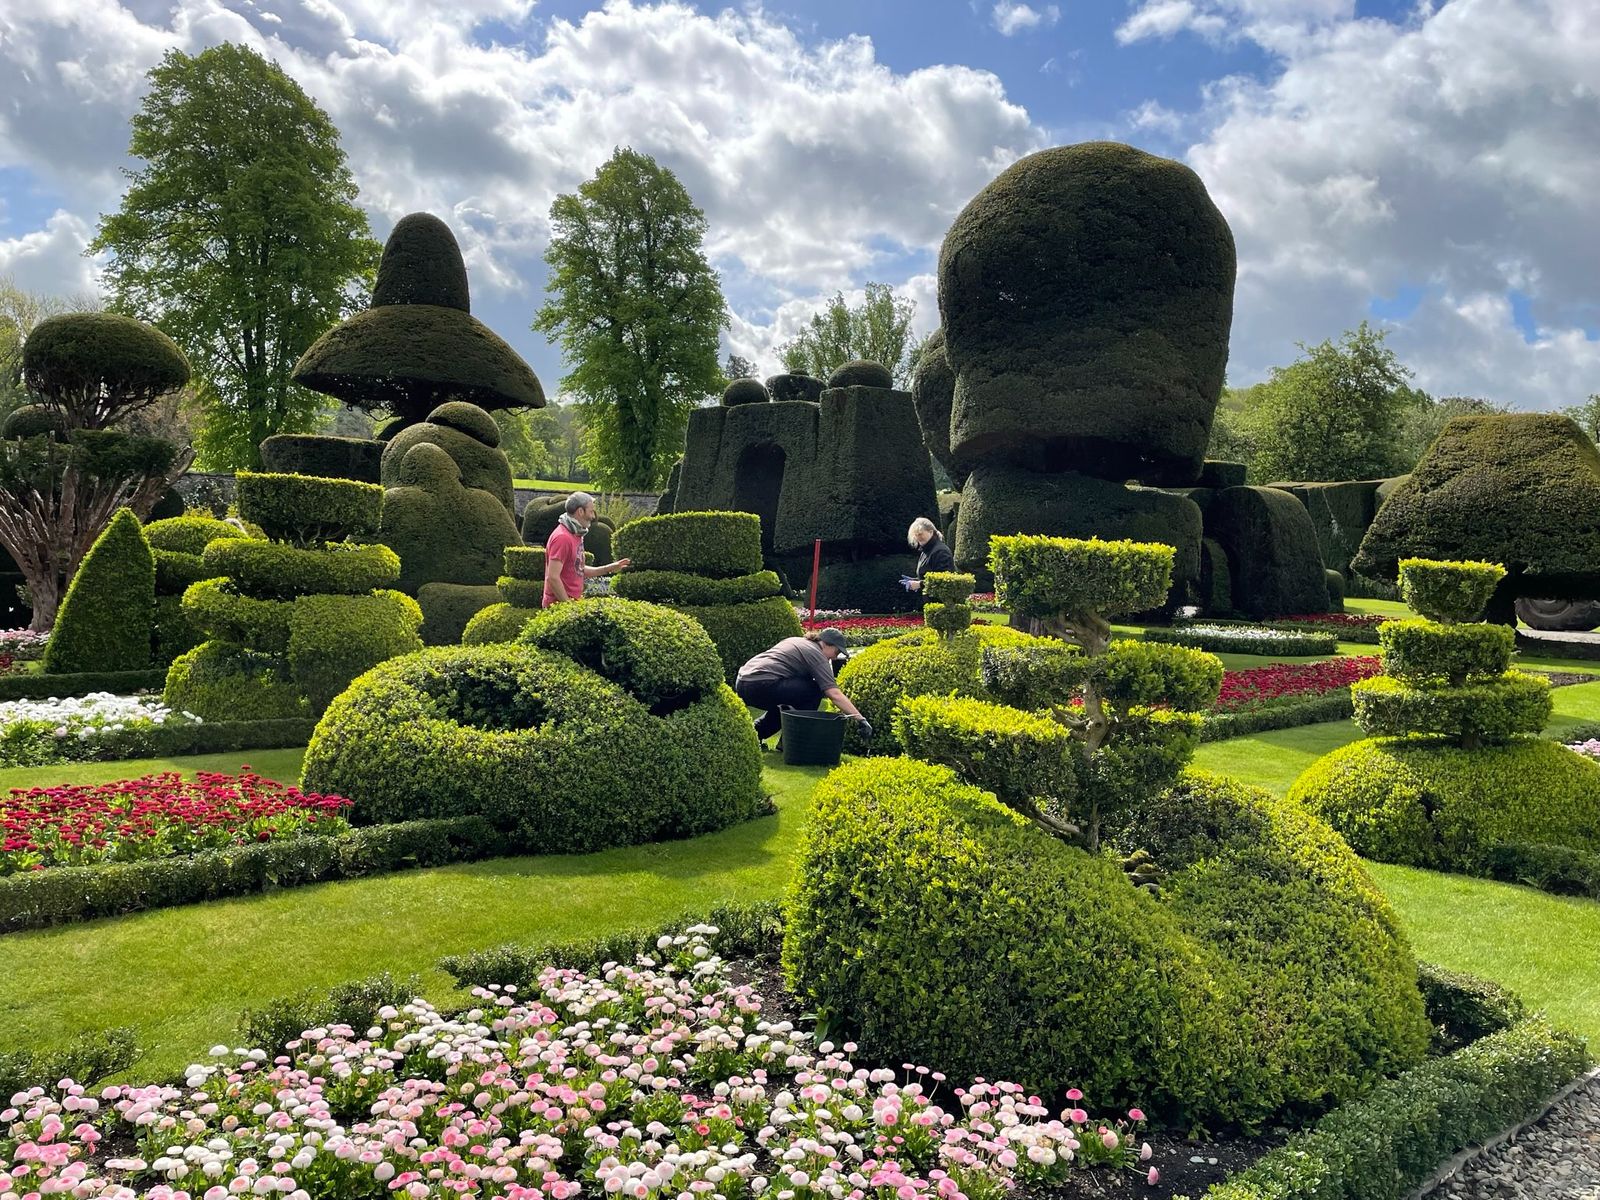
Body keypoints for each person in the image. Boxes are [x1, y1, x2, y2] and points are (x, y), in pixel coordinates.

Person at [735, 628, 872, 744]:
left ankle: (753, 736)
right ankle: (793, 742)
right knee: (814, 690)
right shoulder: (816, 654)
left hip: (743, 682)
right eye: (836, 652)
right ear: (826, 644)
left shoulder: (797, 641)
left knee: (790, 703)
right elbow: (833, 693)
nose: (835, 658)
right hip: (761, 684)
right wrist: (860, 718)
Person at [543, 491, 631, 607]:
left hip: (570, 606)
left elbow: (579, 569)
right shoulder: (562, 538)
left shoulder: (576, 534)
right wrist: (568, 607)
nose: (593, 516)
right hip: (557, 609)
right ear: (580, 511)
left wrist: (608, 568)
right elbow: (553, 577)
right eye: (591, 512)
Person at [905, 516, 955, 592]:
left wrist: (920, 584)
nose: (918, 537)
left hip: (940, 600)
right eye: (916, 535)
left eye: (920, 534)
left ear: (931, 532)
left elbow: (944, 580)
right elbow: (928, 575)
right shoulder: (926, 551)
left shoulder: (941, 551)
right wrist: (915, 581)